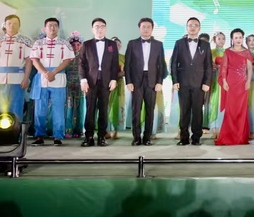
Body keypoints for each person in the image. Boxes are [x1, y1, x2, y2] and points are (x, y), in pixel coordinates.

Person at [30, 18, 75, 146]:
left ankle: (58, 136)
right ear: (45, 28)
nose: (52, 28)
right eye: (50, 25)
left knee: (58, 109)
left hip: (58, 78)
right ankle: (39, 136)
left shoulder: (64, 43)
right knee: (40, 109)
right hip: (42, 79)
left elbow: (67, 60)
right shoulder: (38, 43)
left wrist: (54, 72)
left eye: (55, 25)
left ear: (58, 28)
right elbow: (34, 60)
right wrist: (45, 73)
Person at [170, 17, 213, 145]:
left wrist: (207, 82)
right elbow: (173, 63)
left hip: (199, 84)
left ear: (199, 28)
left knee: (197, 111)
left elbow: (208, 65)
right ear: (186, 27)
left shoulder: (205, 45)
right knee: (184, 111)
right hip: (183, 82)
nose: (193, 27)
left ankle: (196, 138)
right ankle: (183, 137)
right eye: (190, 25)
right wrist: (175, 81)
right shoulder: (179, 43)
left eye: (195, 25)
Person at [124, 18, 167, 146]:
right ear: (139, 28)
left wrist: (160, 82)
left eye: (148, 27)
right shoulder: (132, 43)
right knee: (136, 110)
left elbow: (161, 65)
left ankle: (147, 137)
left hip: (152, 81)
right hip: (136, 81)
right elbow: (127, 64)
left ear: (152, 28)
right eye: (143, 27)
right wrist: (128, 81)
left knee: (150, 110)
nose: (146, 29)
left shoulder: (158, 44)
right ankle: (136, 137)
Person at [79, 18, 120, 147]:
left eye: (102, 26)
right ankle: (89, 137)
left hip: (106, 82)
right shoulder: (86, 44)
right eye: (97, 26)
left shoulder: (111, 44)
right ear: (92, 29)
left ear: (105, 29)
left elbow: (115, 64)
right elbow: (81, 64)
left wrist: (114, 79)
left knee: (103, 109)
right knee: (90, 109)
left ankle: (102, 136)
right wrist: (83, 80)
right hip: (90, 81)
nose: (99, 29)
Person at [215, 28, 252, 145]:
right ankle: (229, 136)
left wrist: (248, 81)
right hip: (231, 84)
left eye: (240, 37)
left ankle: (240, 137)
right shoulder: (228, 52)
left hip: (243, 84)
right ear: (232, 39)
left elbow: (249, 68)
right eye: (236, 37)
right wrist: (224, 81)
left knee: (242, 109)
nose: (238, 40)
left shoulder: (246, 52)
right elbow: (224, 67)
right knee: (231, 110)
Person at [0, 14, 32, 119]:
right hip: (1, 79)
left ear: (19, 25)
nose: (12, 26)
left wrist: (26, 78)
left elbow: (29, 61)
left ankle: (16, 128)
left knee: (16, 106)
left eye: (15, 24)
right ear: (5, 25)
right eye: (9, 23)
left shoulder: (26, 41)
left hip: (18, 79)